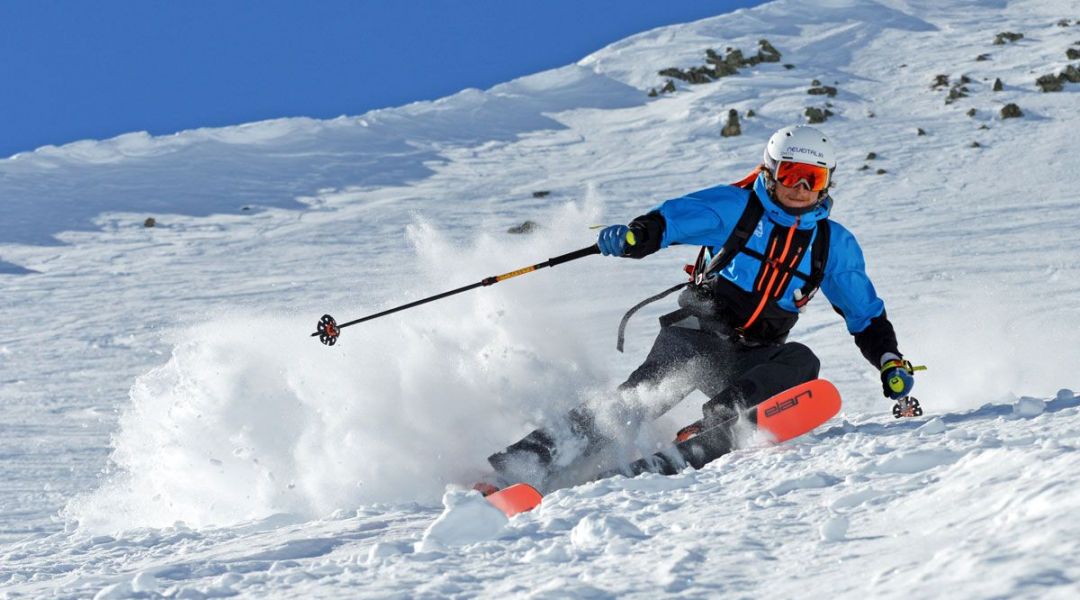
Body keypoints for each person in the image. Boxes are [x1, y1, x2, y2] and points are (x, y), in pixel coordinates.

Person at [483, 125, 918, 490]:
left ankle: (717, 424)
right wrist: (636, 236)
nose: (801, 189)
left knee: (803, 360)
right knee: (639, 401)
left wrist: (889, 360)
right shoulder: (736, 207)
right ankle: (522, 466)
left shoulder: (833, 243)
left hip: (752, 356)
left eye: (814, 179)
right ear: (770, 173)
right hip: (697, 334)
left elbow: (866, 315)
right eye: (792, 175)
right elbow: (673, 220)